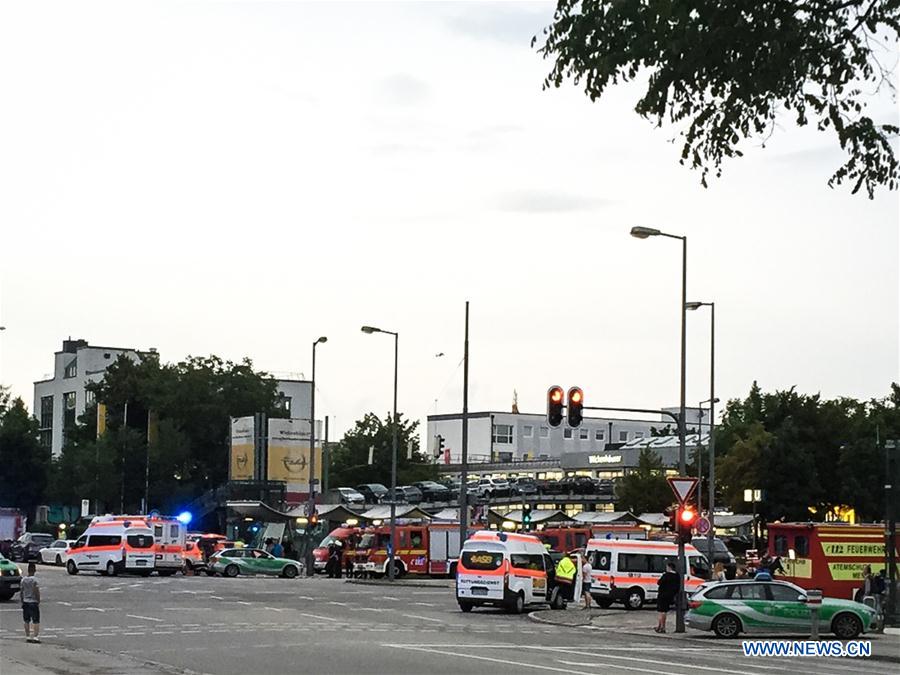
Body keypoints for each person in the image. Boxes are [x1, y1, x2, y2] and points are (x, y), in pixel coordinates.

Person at [655, 561, 679, 634]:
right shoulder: (677, 575)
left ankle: (662, 627)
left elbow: (659, 582)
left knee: (662, 611)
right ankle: (659, 626)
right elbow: (677, 586)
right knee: (663, 611)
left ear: (669, 567)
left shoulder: (666, 575)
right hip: (670, 595)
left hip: (662, 595)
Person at [21, 562, 41, 644]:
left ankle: (27, 636)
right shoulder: (35, 580)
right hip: (33, 601)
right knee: (36, 620)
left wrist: (22, 600)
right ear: (34, 570)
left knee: (26, 620)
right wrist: (38, 599)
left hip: (25, 601)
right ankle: (35, 637)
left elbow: (21, 591)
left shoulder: (23, 580)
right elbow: (36, 591)